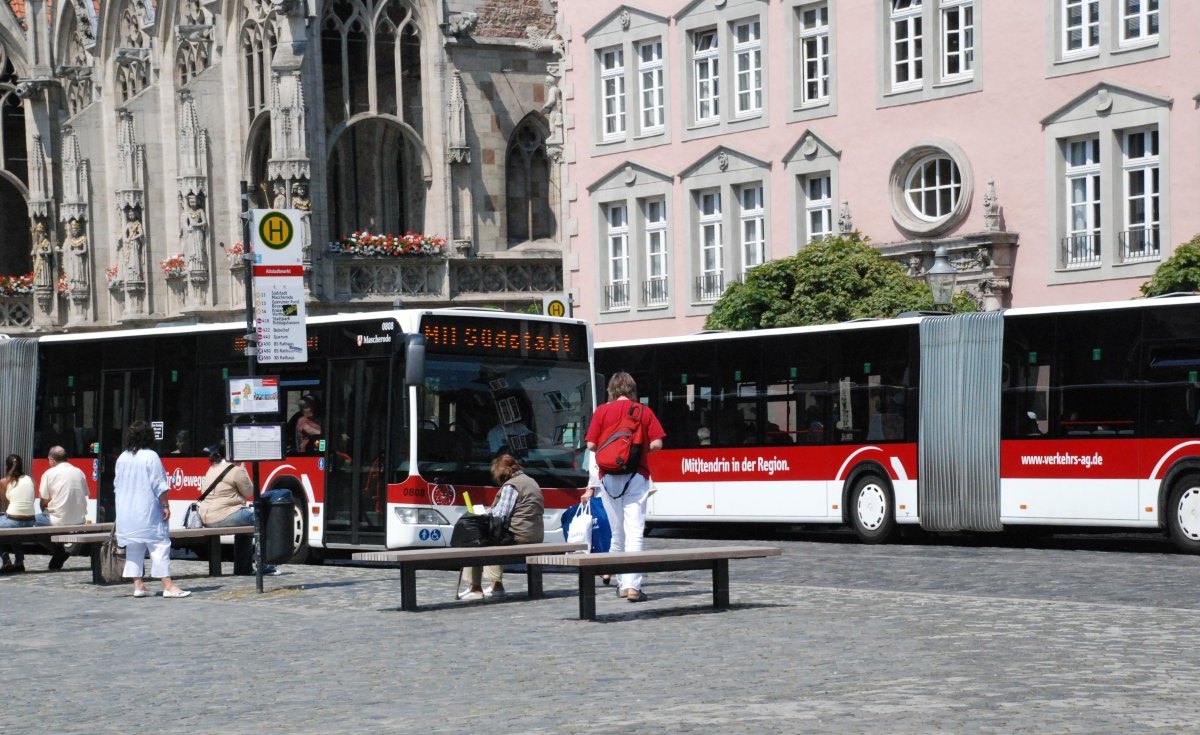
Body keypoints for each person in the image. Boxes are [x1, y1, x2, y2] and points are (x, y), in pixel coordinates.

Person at [581, 372, 666, 603]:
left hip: (608, 477)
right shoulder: (643, 411)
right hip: (636, 476)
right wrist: (636, 452)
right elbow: (657, 443)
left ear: (611, 390)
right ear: (632, 390)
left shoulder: (601, 411)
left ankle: (620, 584)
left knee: (617, 532)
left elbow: (590, 444)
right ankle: (633, 587)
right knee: (635, 532)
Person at [113, 420, 190, 598]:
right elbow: (159, 484)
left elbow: (116, 484)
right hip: (146, 510)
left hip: (126, 511)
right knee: (159, 545)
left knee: (133, 547)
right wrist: (165, 505)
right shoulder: (151, 456)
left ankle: (138, 585)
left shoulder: (122, 457)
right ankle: (168, 585)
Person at [459, 453, 543, 600]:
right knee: (493, 535)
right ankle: (494, 585)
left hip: (520, 534)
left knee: (478, 539)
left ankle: (477, 587)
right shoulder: (531, 481)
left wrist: (484, 512)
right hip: (535, 533)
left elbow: (500, 515)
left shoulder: (512, 486)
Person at [198, 444, 278, 576]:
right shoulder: (235, 470)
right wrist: (243, 468)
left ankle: (243, 568)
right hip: (223, 515)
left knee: (245, 524)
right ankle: (264, 563)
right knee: (262, 517)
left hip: (207, 516)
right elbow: (249, 492)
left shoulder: (213, 467)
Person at [34, 446, 89, 570]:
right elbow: (84, 494)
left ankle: (59, 550)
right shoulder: (79, 472)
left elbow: (43, 501)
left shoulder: (49, 473)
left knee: (29, 523)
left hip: (56, 520)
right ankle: (60, 551)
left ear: (52, 459)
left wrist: (46, 510)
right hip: (79, 520)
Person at [0, 454, 37, 574]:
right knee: (15, 530)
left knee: (11, 525)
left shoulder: (4, 482)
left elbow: (5, 501)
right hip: (30, 521)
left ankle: (6, 560)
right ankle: (19, 562)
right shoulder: (30, 479)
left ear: (7, 467)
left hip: (13, 521)